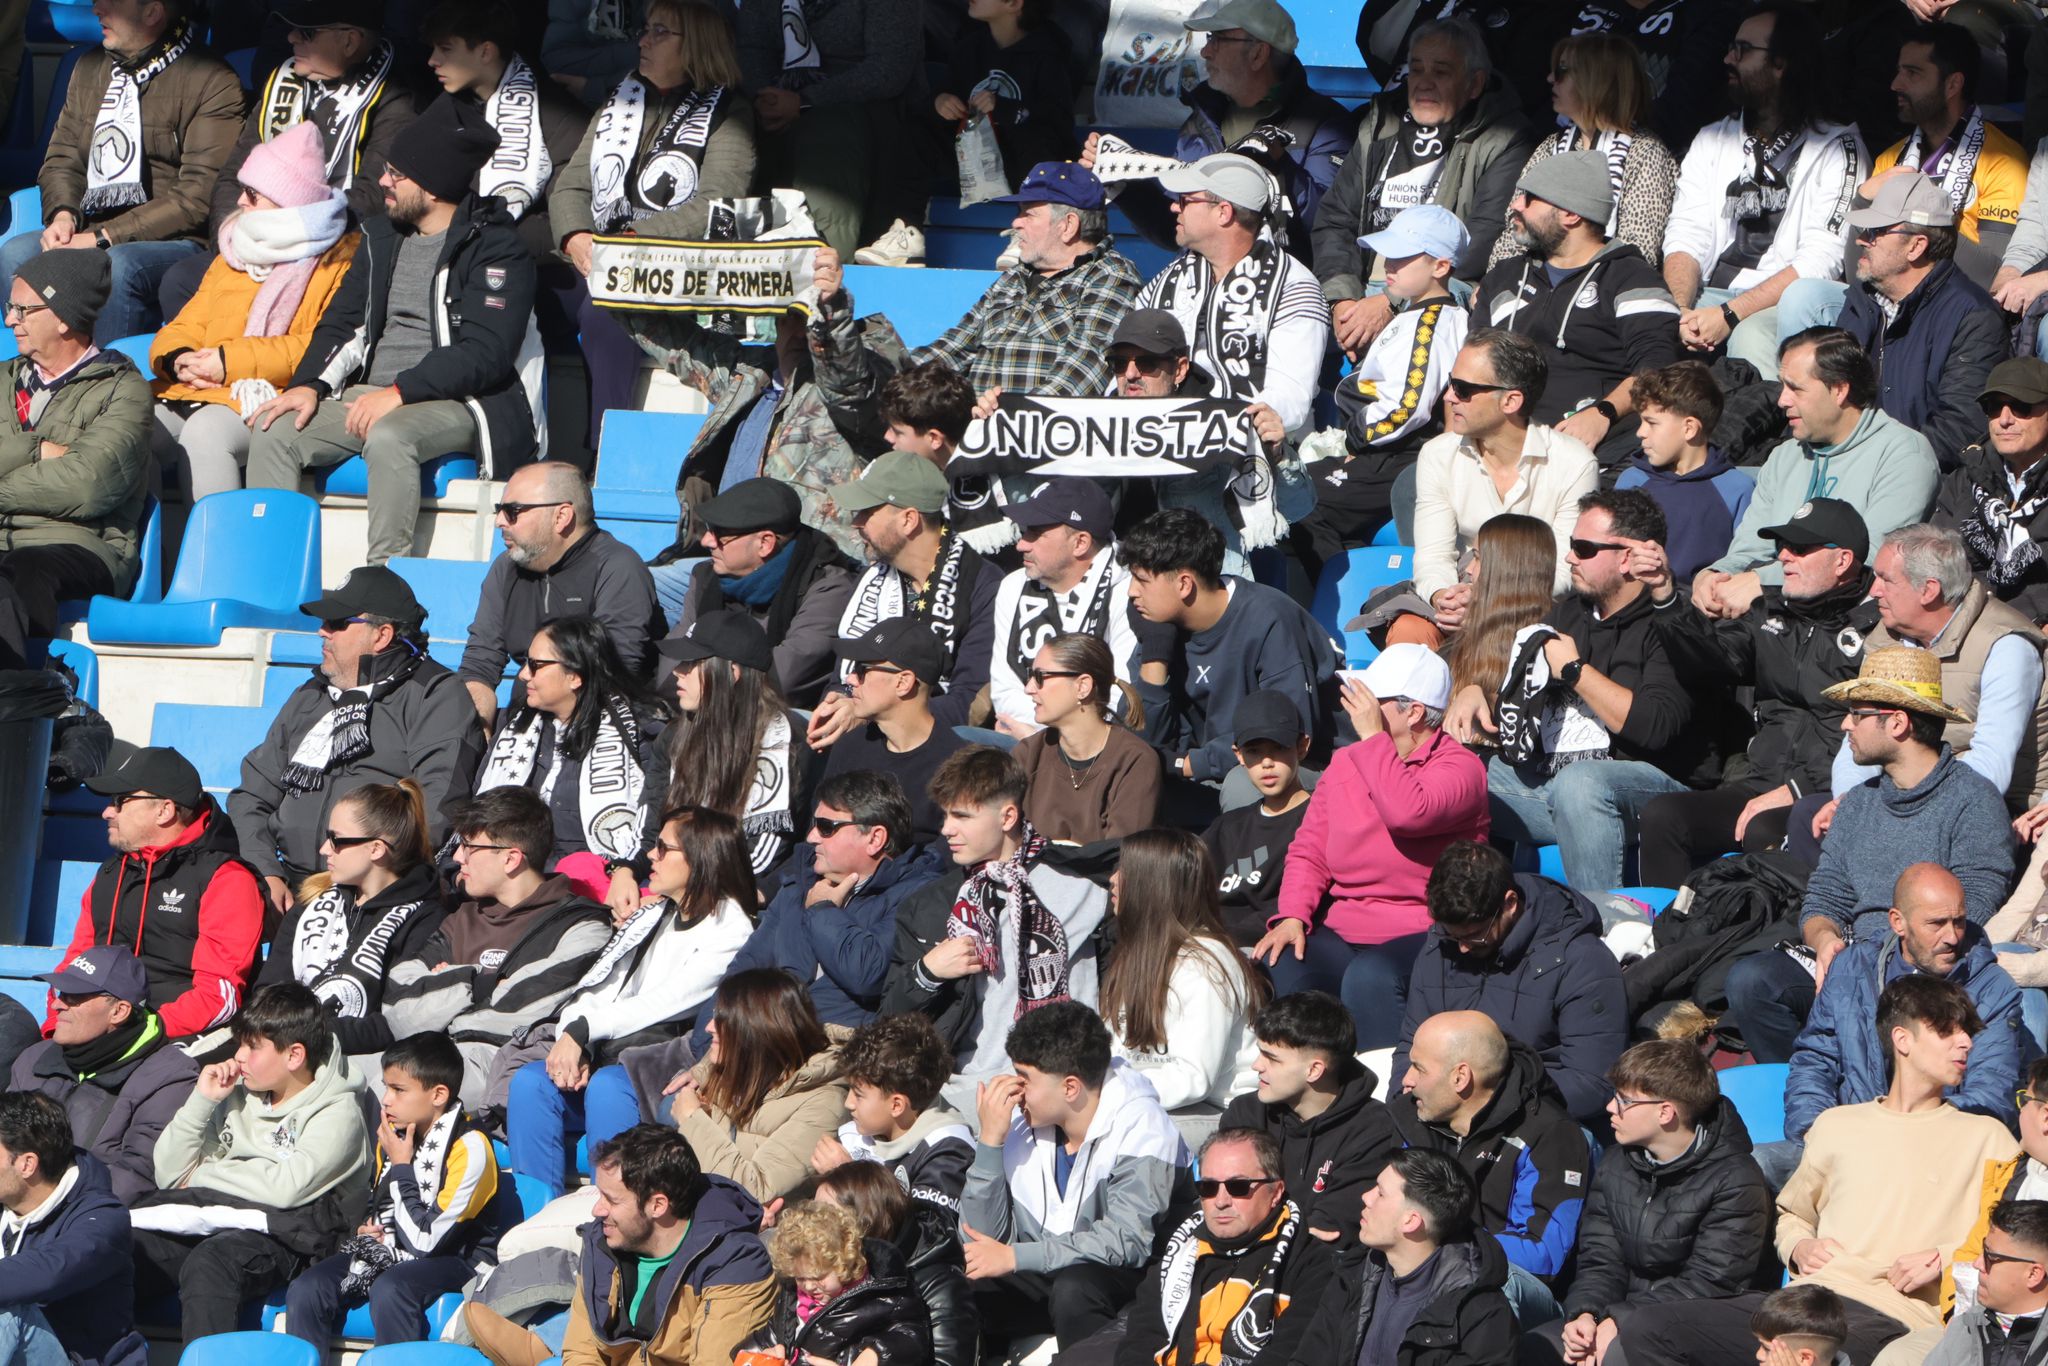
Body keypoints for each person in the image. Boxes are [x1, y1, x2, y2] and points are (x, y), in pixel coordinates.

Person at [1617, 976, 2022, 1366]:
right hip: (1802, 1301)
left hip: (1890, 1316)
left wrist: (1944, 1256)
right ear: (1903, 1040)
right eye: (1948, 1031)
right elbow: (1793, 1213)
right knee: (1647, 1327)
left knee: (1812, 1359)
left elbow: (2014, 1246)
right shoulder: (1837, 1125)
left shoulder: (1988, 1137)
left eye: (1966, 1031)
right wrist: (1798, 1247)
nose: (1965, 1042)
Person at [245, 94, 539, 568]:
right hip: (372, 394)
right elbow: (343, 321)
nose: (383, 180)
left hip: (461, 402)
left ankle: (381, 587)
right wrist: (308, 385)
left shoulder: (497, 249)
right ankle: (274, 577)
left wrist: (402, 392)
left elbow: (487, 353)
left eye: (397, 173)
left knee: (390, 436)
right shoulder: (382, 237)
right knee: (274, 429)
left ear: (434, 183)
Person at [1725, 647, 2014, 1063]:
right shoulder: (1859, 803)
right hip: (1852, 962)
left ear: (1897, 722)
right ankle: (1811, 1091)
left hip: (1928, 971)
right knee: (1753, 981)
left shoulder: (1973, 801)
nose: (1846, 724)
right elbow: (1825, 896)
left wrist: (1875, 962)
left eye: (1858, 713)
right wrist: (1824, 940)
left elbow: (1971, 910)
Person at [1449, 489, 1701, 895]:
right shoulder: (1567, 614)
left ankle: (1605, 926)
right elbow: (1522, 705)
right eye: (1571, 546)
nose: (1569, 559)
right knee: (1449, 767)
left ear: (1628, 558)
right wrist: (1477, 691)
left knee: (1581, 784)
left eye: (1583, 549)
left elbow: (1655, 729)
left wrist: (1573, 670)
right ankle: (1471, 916)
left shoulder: (1671, 623)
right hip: (1558, 787)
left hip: (1655, 791)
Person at [508, 806, 755, 1198]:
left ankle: (612, 1215)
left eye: (662, 848)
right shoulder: (654, 913)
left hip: (666, 1062)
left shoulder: (731, 926)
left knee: (607, 1087)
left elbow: (668, 1002)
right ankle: (535, 1219)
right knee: (530, 1083)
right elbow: (594, 986)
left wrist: (586, 1029)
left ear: (700, 859)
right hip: (608, 1050)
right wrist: (576, 1039)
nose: (650, 857)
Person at [1634, 497, 1877, 887]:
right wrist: (1666, 597)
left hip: (1827, 792)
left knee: (1762, 830)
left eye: (1799, 548)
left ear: (1843, 561)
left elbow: (1868, 736)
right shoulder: (1770, 612)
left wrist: (1798, 788)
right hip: (1759, 779)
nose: (1783, 556)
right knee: (1662, 816)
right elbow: (1708, 663)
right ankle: (1663, 934)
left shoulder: (1876, 629)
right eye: (1782, 546)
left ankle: (1768, 941)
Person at [1259, 644, 1488, 1049]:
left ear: (1413, 711)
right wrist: (1292, 915)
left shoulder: (1461, 768)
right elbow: (1310, 848)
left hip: (1429, 931)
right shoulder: (1349, 762)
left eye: (1372, 699)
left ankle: (1388, 1097)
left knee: (1371, 977)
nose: (1357, 707)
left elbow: (1408, 813)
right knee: (1280, 959)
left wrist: (1372, 739)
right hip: (1344, 927)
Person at [550, 0, 757, 448]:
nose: (643, 40)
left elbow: (715, 205)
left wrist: (628, 242)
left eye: (660, 32)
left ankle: (603, 453)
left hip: (664, 267)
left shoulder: (729, 113)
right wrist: (575, 235)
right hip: (595, 257)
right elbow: (570, 186)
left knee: (606, 312)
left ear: (697, 45)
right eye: (646, 29)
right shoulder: (622, 97)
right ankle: (521, 450)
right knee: (509, 288)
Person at [132, 982, 374, 1345]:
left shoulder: (339, 1112)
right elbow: (170, 1176)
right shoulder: (235, 1094)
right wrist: (202, 1101)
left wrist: (205, 1175)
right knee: (126, 1249)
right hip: (217, 1218)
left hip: (295, 1235)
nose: (239, 1056)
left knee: (212, 1262)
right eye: (240, 1043)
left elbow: (285, 1190)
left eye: (252, 1046)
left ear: (293, 1056)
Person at [233, 565, 482, 905]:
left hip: (379, 893)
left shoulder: (434, 694)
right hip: (293, 888)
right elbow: (251, 795)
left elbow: (434, 812)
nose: (322, 631)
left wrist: (366, 878)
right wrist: (265, 870)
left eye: (337, 623)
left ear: (381, 635)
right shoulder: (312, 694)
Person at [809, 162, 1141, 417]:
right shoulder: (1012, 280)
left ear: (1068, 225)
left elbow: (1083, 368)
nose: (1016, 222)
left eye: (1028, 213)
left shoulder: (1110, 276)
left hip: (1044, 449)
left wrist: (1009, 416)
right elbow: (948, 353)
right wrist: (871, 369)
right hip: (978, 435)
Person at [0, 0, 242, 343]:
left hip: (174, 240)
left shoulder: (213, 81)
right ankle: (38, 375)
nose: (97, 9)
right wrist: (63, 215)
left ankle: (108, 382)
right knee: (16, 252)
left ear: (152, 13)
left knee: (118, 264)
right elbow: (62, 157)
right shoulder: (90, 67)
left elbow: (196, 199)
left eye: (110, 2)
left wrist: (103, 238)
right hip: (92, 226)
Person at [959, 1001, 1192, 1352]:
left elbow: (1126, 1242)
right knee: (957, 1285)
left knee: (1075, 1287)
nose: (1014, 1090)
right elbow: (981, 1241)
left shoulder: (1144, 1126)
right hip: (1052, 1274)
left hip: (1133, 1283)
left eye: (1025, 1079)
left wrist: (1017, 1257)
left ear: (1070, 1088)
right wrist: (990, 1142)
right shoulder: (1026, 1123)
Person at [1523, 1039, 1772, 1365]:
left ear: (1665, 1112)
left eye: (1624, 1100)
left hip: (1692, 1324)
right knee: (1536, 1347)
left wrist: (1620, 1320)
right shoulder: (1616, 1163)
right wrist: (1586, 1315)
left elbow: (1711, 1284)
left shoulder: (1737, 1179)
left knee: (1618, 1357)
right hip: (1622, 1312)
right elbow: (1600, 1260)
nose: (1611, 1108)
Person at [145, 121, 359, 500]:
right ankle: (147, 556)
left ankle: (217, 558)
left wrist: (227, 362)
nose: (240, 202)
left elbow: (314, 347)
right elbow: (187, 322)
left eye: (252, 194)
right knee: (128, 427)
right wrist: (179, 357)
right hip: (195, 388)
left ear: (286, 199)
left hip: (268, 394)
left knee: (207, 433)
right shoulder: (236, 247)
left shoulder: (338, 259)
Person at [881, 746, 1113, 1091]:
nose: (946, 829)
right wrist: (927, 973)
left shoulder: (1084, 882)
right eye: (945, 816)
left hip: (1064, 1082)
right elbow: (889, 1017)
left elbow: (1157, 858)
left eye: (962, 816)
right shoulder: (931, 905)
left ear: (1007, 817)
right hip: (967, 1083)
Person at [1659, 4, 1865, 374]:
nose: (1727, 58)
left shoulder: (1838, 147)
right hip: (1704, 295)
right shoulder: (1711, 139)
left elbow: (1822, 258)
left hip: (1779, 306)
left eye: (1742, 50)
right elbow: (1686, 233)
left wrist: (1730, 314)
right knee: (1651, 324)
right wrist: (1681, 308)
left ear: (1781, 64)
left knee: (1749, 336)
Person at [464, 1124, 778, 1366]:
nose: (597, 1210)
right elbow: (583, 1350)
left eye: (611, 1200)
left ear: (657, 1205)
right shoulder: (602, 1241)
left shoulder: (736, 1264)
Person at [1313, 15, 1537, 348]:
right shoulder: (1380, 125)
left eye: (1442, 72)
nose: (1424, 83)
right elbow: (1335, 220)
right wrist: (1343, 301)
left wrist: (1391, 301)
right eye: (1417, 70)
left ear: (1474, 84)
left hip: (1442, 290)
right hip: (1361, 292)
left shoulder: (1503, 137)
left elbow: (1478, 243)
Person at [383, 786, 614, 1106]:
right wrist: (479, 981)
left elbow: (520, 1008)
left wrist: (446, 986)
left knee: (383, 1095)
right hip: (424, 1058)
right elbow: (398, 1003)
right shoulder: (461, 917)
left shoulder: (583, 926)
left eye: (468, 846)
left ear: (511, 859)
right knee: (345, 1077)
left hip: (501, 1067)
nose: (456, 857)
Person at [1782, 863, 2030, 1158]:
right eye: (1937, 923)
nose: (1952, 937)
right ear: (1898, 922)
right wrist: (1816, 1129)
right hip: (1848, 1139)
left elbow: (1991, 1092)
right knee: (1762, 1164)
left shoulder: (1991, 989)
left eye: (1959, 921)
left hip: (1937, 1149)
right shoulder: (1852, 969)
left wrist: (1901, 1133)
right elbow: (1815, 1059)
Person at [1079, 0, 1350, 261]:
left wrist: (1280, 168)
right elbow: (1174, 230)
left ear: (1258, 54)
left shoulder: (1325, 124)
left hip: (1283, 294)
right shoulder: (1200, 123)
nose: (1206, 52)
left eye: (1218, 39)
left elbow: (1328, 226)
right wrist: (1124, 183)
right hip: (1202, 291)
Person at [283, 1032, 506, 1347]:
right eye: (387, 1087)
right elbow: (382, 1204)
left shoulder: (470, 1148)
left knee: (392, 1287)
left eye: (399, 1090)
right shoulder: (393, 1136)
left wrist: (403, 1167)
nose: (386, 1099)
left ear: (438, 1094)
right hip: (394, 1248)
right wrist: (370, 1228)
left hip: (460, 1259)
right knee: (307, 1288)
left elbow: (427, 1242)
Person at [1697, 329, 1937, 620]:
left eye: (1795, 388)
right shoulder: (1785, 455)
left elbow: (1869, 560)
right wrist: (1716, 575)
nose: (1781, 400)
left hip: (1846, 624)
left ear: (1839, 390)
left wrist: (1764, 581)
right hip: (1772, 615)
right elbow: (1751, 545)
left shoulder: (1904, 453)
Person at [1288, 204, 1469, 579]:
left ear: (1441, 267)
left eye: (1404, 257)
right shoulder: (1414, 315)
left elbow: (1405, 408)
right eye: (1389, 252)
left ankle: (1336, 613)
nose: (1390, 263)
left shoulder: (1432, 323)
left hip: (1400, 455)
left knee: (1301, 503)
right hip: (1381, 449)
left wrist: (1352, 442)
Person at [1779, 170, 2006, 466]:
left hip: (1913, 481)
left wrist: (1867, 462)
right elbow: (1827, 395)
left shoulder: (1974, 318)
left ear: (1916, 246)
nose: (1861, 240)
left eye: (1876, 232)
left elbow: (1959, 432)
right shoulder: (1864, 300)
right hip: (1844, 463)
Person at [1475, 150, 1683, 470]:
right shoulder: (1503, 277)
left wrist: (1603, 414)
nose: (1514, 205)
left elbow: (1656, 366)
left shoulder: (1630, 277)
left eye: (1529, 199)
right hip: (1496, 443)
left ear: (1570, 215)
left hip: (1587, 450)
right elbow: (1468, 365)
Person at [1388, 1011, 1591, 1327]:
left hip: (1521, 1290)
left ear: (1460, 1077)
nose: (1406, 1080)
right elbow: (1387, 1204)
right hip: (1431, 1261)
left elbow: (1545, 1255)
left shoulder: (1550, 1134)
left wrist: (1443, 1242)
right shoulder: (1412, 1116)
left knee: (1486, 1284)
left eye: (1419, 1068)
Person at [1400, 842, 1627, 1125]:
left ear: (1510, 903)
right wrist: (1406, 1110)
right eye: (1452, 935)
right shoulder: (1442, 945)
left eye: (1475, 936)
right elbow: (1410, 1045)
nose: (1462, 949)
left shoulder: (1581, 960)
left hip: (1541, 1119)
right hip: (1448, 1109)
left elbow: (1592, 1083)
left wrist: (1483, 1105)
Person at [0, 248, 151, 669]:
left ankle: (24, 697)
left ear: (64, 318)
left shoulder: (125, 390)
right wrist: (34, 451)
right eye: (9, 307)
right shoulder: (2, 379)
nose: (11, 320)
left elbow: (87, 486)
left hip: (83, 544)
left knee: (24, 569)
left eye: (22, 310)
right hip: (7, 538)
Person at [1407, 330, 1598, 650]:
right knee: (1409, 630)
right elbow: (1433, 556)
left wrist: (1489, 600)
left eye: (1463, 389)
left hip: (1536, 611)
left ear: (1511, 400)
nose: (1449, 397)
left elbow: (1565, 570)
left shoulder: (1575, 464)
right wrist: (1444, 597)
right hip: (1464, 594)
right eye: (1450, 383)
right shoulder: (1437, 455)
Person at [1122, 509, 1338, 788]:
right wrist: (1154, 653)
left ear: (1184, 584)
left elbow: (1286, 733)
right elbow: (1139, 742)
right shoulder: (1158, 630)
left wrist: (1187, 765)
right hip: (1197, 773)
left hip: (1290, 772)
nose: (1131, 592)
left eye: (1142, 580)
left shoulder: (1270, 618)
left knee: (1241, 786)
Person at [61, 745, 264, 1039]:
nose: (107, 812)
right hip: (103, 1033)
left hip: (178, 1040)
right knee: (30, 1067)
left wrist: (139, 1035)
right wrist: (60, 1026)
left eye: (121, 801)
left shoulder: (226, 879)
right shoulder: (109, 874)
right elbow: (74, 965)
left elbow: (218, 996)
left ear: (164, 810)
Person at [1847, 522, 2048, 815]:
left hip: (2003, 808)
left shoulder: (2004, 645)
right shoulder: (1883, 639)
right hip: (1904, 795)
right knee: (1809, 818)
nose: (1873, 590)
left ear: (1928, 590)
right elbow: (1858, 735)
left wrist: (1913, 814)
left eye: (1885, 579)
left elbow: (1990, 766)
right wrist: (1849, 805)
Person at [718, 770, 944, 1030]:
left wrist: (822, 910)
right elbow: (738, 978)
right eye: (813, 825)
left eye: (826, 827)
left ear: (874, 839)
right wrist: (709, 1047)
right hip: (750, 1042)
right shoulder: (797, 887)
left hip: (834, 1053)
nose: (812, 837)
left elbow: (867, 974)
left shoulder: (917, 896)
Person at [423, 0, 588, 355]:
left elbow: (568, 212)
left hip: (526, 272)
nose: (432, 61)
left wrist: (482, 237)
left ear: (485, 51)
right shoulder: (440, 111)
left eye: (446, 49)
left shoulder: (558, 114)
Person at [863, 0, 1076, 267]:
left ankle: (1030, 233)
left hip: (1024, 163)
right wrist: (940, 102)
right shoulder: (970, 47)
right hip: (974, 160)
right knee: (916, 131)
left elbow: (1058, 120)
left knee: (1038, 137)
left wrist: (1006, 109)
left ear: (1013, 3)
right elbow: (942, 96)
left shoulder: (1050, 49)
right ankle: (907, 230)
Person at [476, 615, 671, 907]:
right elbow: (480, 811)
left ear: (575, 676)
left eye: (536, 665)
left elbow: (655, 821)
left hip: (599, 889)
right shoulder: (516, 726)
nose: (523, 675)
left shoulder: (639, 730)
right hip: (517, 886)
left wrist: (626, 870)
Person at [458, 461, 666, 729]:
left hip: (600, 727)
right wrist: (476, 731)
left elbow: (611, 676)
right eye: (500, 510)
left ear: (561, 516)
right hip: (524, 726)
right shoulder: (506, 567)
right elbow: (479, 663)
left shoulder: (617, 567)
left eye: (513, 511)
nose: (499, 521)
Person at [1134, 151, 1330, 434]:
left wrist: (1217, 432)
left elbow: (1290, 395)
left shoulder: (1294, 286)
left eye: (1185, 200)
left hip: (1247, 451)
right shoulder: (1168, 279)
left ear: (1224, 212)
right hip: (1158, 439)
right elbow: (1127, 361)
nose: (1174, 208)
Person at [811, 451, 1001, 741]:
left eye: (866, 511)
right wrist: (838, 705)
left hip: (943, 748)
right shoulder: (873, 579)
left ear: (909, 519)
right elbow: (843, 677)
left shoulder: (983, 584)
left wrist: (869, 714)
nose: (856, 523)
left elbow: (970, 701)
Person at [1114, 1126, 1342, 1366]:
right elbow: (1138, 1347)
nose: (1221, 1201)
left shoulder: (1312, 1265)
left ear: (1276, 1192)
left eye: (1238, 1187)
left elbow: (1289, 1354)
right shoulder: (1178, 1255)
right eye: (1208, 1187)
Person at [254, 778, 447, 1059]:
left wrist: (306, 1036)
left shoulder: (425, 920)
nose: (324, 849)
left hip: (356, 1066)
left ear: (376, 849)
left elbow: (396, 1021)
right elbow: (267, 992)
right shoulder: (312, 898)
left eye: (336, 840)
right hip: (281, 1050)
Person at [1285, 1148, 1516, 1366]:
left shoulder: (1481, 1315)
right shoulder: (1354, 1274)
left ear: (1411, 1221)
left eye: (1380, 1192)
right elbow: (1309, 1358)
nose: (1366, 1197)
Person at [204, 0, 418, 235]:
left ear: (350, 42)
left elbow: (373, 198)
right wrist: (229, 237)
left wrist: (286, 238)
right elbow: (233, 175)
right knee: (185, 272)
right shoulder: (282, 80)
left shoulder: (397, 99)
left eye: (307, 32)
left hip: (331, 247)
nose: (291, 37)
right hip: (253, 235)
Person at [7, 947, 200, 1204]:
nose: (56, 1004)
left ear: (119, 1011)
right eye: (61, 993)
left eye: (74, 997)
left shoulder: (170, 1076)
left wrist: (48, 1207)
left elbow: (138, 1173)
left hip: (88, 1219)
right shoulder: (34, 1058)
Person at [652, 477, 857, 710]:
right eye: (709, 529)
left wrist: (700, 683)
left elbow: (781, 681)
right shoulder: (705, 576)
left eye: (720, 535)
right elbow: (671, 672)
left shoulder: (826, 588)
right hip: (713, 709)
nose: (707, 541)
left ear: (765, 543)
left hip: (786, 719)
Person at [734, 0, 914, 261]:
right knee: (734, 129)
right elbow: (751, 48)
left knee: (827, 142)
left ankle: (822, 270)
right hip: (771, 102)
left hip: (858, 111)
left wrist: (805, 100)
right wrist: (766, 99)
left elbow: (888, 68)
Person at [1102, 829, 1267, 1112]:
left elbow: (1192, 1080)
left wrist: (1103, 1095)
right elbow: (1113, 1052)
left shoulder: (1206, 965)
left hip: (1216, 1114)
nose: (1113, 880)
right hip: (1145, 1103)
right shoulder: (1137, 953)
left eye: (1126, 870)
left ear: (1153, 884)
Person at [1488, 32, 1680, 272]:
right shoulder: (1551, 145)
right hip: (1535, 283)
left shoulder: (1646, 153)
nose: (1550, 78)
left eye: (1561, 71)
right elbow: (1515, 226)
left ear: (1596, 82)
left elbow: (1639, 250)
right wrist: (1496, 284)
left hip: (1602, 293)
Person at [1217, 991, 1400, 1242]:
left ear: (1314, 1070)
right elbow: (1222, 1204)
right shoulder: (1245, 1113)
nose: (1257, 1066)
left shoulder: (1374, 1130)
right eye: (1260, 1053)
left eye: (1272, 1058)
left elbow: (1328, 1230)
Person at [663, 968, 851, 1203]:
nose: (709, 1027)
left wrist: (693, 1119)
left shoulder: (824, 1104)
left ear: (757, 1031)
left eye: (723, 1020)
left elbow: (755, 1190)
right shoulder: (743, 1065)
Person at [986, 479, 1139, 739]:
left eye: (1035, 533)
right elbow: (1005, 692)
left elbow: (1124, 697)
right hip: (1027, 738)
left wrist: (1046, 735)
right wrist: (1043, 735)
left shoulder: (1132, 590)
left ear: (1080, 543)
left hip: (1102, 749)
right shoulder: (1012, 586)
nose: (1021, 544)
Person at [0, 1091, 145, 1366]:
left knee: (8, 1309)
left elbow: (51, 1269)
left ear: (27, 1164)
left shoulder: (104, 1219)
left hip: (76, 1359)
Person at [658, 608, 804, 876]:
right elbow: (654, 822)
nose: (678, 671)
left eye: (691, 663)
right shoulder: (672, 735)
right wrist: (626, 870)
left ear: (732, 672)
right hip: (676, 874)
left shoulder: (785, 739)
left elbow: (763, 853)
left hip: (738, 887)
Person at [1871, 24, 2028, 254]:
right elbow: (1864, 256)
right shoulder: (1891, 160)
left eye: (1912, 73)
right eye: (1899, 71)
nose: (1895, 84)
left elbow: (1996, 269)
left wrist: (1919, 223)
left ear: (1953, 84)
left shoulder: (2004, 162)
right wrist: (1861, 203)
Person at [814, 623, 967, 848]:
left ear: (903, 682)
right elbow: (816, 833)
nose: (850, 680)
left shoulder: (957, 770)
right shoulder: (850, 745)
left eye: (862, 670)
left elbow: (942, 868)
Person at [811, 1162, 977, 1366]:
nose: (812, 1228)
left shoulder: (939, 1284)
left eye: (825, 1218)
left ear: (864, 1223)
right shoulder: (815, 1270)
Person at [1612, 360, 1753, 584]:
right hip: (1636, 610)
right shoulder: (1631, 481)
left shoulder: (1737, 489)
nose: (1640, 432)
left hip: (1701, 612)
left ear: (1689, 428)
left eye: (1651, 422)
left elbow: (1745, 561)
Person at [822, 1013, 974, 1219]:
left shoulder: (947, 1153)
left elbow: (927, 1238)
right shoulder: (862, 1129)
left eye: (858, 1095)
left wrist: (850, 1177)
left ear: (896, 1105)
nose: (848, 1103)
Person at [746, 1199, 932, 1366]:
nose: (809, 1286)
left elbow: (911, 1335)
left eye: (818, 1277)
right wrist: (760, 1356)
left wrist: (876, 1353)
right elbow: (773, 1333)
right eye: (800, 1277)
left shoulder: (880, 1296)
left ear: (844, 1263)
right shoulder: (794, 1297)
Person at [1016, 633, 1160, 844]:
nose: (1029, 688)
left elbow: (1121, 858)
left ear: (1082, 686)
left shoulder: (1134, 761)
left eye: (1040, 677)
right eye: (1030, 675)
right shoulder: (1027, 754)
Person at [1937, 358, 2048, 624]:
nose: (2004, 420)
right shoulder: (1965, 478)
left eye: (2021, 406)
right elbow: (1936, 560)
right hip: (1963, 622)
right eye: (1993, 407)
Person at [1200, 691, 1311, 951]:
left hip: (1267, 950)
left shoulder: (1317, 817)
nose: (1267, 762)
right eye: (1254, 751)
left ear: (1302, 746)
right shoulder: (1227, 827)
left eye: (1279, 748)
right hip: (1211, 945)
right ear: (1238, 756)